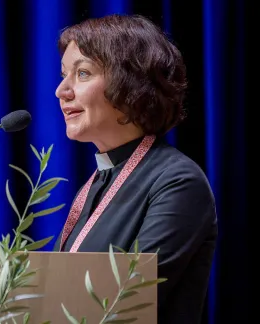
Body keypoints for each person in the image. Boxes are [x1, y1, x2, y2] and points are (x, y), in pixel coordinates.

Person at [51, 14, 218, 324]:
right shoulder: (93, 185)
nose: (62, 90)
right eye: (64, 75)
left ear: (130, 84)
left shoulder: (177, 182)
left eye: (82, 73)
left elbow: (127, 301)